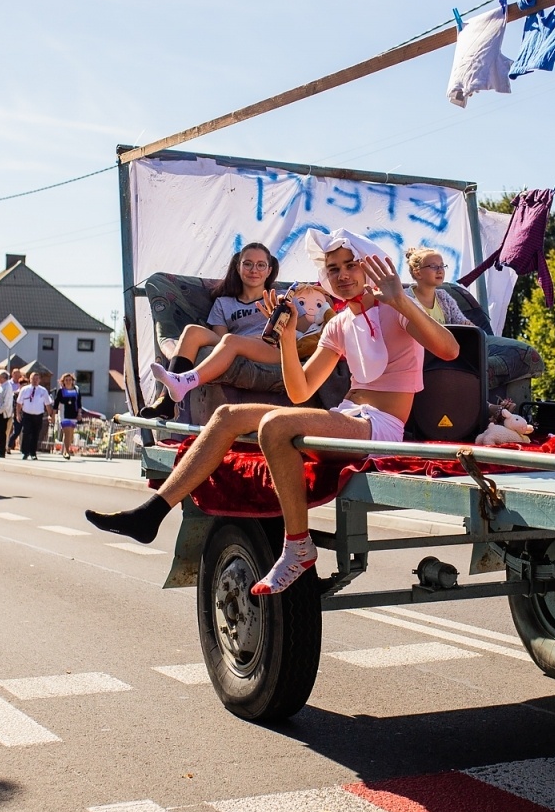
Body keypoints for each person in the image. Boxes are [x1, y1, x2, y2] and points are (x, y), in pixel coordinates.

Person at [89, 228, 460, 594]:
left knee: (274, 425)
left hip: (381, 428)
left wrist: (402, 302)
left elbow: (450, 350)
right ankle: (152, 513)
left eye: (351, 265)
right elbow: (300, 391)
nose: (343, 275)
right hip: (350, 416)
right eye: (333, 269)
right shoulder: (338, 324)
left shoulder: (396, 308)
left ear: (368, 267)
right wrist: (286, 338)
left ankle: (298, 546)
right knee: (227, 416)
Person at [149, 243, 310, 402]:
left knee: (232, 340)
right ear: (238, 267)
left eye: (261, 265)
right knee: (192, 331)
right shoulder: (223, 303)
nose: (254, 270)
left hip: (274, 349)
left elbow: (308, 332)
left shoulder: (282, 297)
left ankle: (187, 381)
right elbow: (221, 340)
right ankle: (166, 403)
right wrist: (247, 340)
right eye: (247, 264)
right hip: (237, 345)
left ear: (269, 270)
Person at [402, 246, 468, 325]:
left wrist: (468, 324)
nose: (440, 271)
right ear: (418, 273)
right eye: (433, 266)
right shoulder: (404, 298)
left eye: (442, 266)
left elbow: (463, 324)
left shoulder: (444, 298)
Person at [15, 371, 51, 461]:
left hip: (38, 415)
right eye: (33, 379)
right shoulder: (24, 389)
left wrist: (50, 415)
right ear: (30, 379)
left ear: (39, 380)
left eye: (36, 379)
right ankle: (25, 452)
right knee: (26, 433)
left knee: (36, 434)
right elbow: (19, 403)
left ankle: (33, 453)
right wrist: (18, 414)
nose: (35, 380)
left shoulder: (43, 390)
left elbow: (47, 404)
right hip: (27, 414)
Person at [53, 373, 83, 460]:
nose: (68, 381)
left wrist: (79, 413)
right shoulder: (61, 391)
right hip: (64, 414)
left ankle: (64, 450)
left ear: (72, 381)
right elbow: (56, 404)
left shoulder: (76, 390)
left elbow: (79, 403)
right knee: (67, 432)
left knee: (70, 435)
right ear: (63, 381)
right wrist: (53, 416)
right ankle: (67, 452)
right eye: (66, 380)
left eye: (70, 380)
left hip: (74, 414)